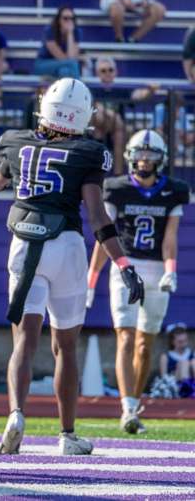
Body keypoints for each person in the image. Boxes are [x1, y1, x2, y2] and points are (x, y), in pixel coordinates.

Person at [0, 78, 144, 456]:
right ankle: (67, 435)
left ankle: (16, 414)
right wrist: (122, 263)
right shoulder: (89, 152)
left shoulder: (15, 141)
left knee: (23, 340)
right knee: (65, 347)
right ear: (82, 117)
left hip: (23, 244)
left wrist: (21, 177)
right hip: (66, 247)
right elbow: (96, 215)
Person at [86, 130, 190, 433]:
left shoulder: (174, 190)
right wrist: (91, 281)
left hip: (157, 268)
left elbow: (170, 236)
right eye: (140, 155)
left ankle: (135, 399)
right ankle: (127, 408)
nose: (144, 161)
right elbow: (103, 236)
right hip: (126, 265)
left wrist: (171, 268)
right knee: (126, 337)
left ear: (161, 160)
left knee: (145, 345)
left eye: (151, 155)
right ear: (130, 157)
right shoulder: (117, 188)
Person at [34, 7, 84, 79]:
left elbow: (71, 57)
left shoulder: (76, 32)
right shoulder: (50, 31)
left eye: (71, 18)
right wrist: (72, 61)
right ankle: (78, 88)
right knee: (73, 64)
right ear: (59, 20)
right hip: (44, 64)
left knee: (64, 71)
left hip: (63, 66)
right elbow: (63, 59)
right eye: (65, 18)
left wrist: (70, 34)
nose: (69, 21)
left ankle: (66, 90)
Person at [158, 323, 195, 398]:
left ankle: (190, 389)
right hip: (175, 386)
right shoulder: (165, 356)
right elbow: (164, 379)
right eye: (180, 342)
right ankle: (186, 390)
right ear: (172, 342)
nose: (183, 344)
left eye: (185, 341)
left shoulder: (191, 354)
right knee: (183, 363)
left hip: (192, 382)